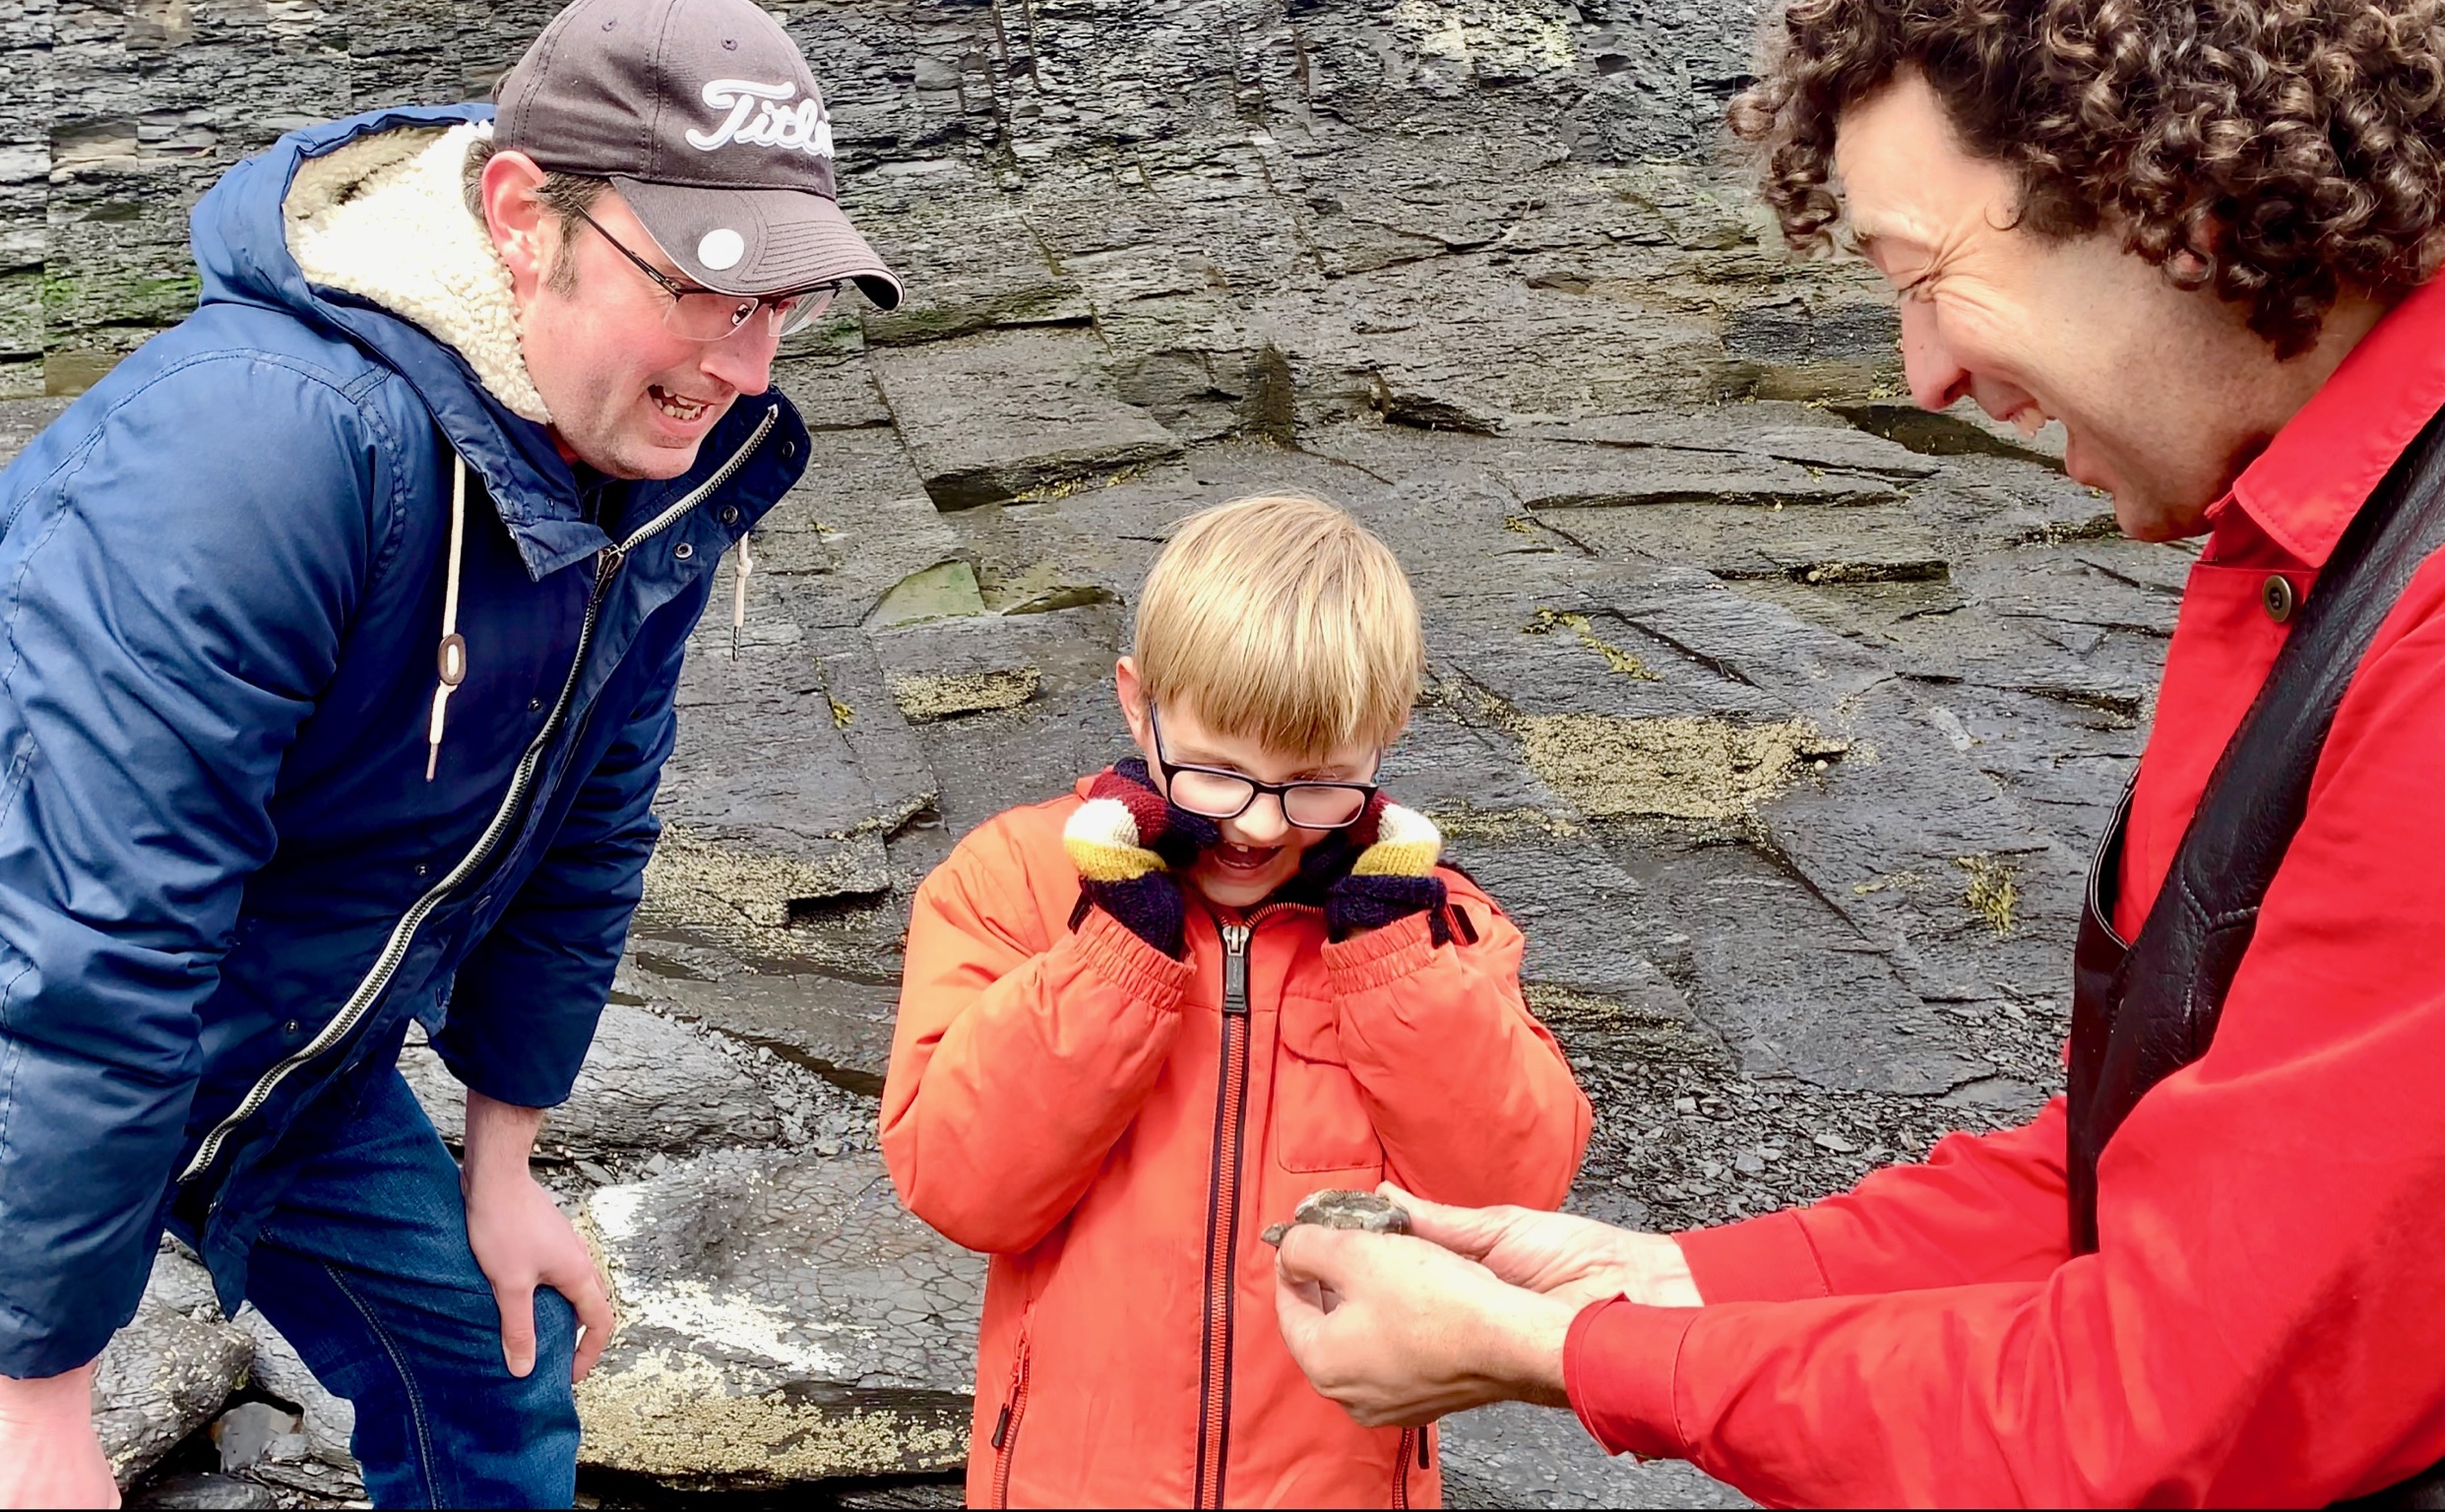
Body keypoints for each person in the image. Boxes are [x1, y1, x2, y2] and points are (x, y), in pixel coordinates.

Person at [1271, 0, 2445, 1504]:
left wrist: (1575, 1357)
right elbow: (2149, 1168)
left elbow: (2173, 1399)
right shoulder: (2306, 551)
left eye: (1928, 279)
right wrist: (1662, 1281)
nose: (1925, 376)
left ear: (2184, 196)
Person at [0, 0, 901, 1504]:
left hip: (285, 1034)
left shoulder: (637, 468)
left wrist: (507, 1160)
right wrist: (39, 1396)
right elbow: (94, 936)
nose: (741, 366)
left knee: (502, 1365)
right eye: (698, 287)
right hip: (44, 1021)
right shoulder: (262, 449)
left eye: (781, 304)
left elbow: (594, 815)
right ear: (516, 215)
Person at [880, 493, 1593, 1508]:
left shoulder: (1441, 930)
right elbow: (961, 1186)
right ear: (1138, 703)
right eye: (1216, 774)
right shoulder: (1010, 883)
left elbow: (1506, 1192)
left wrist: (1393, 960)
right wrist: (1114, 954)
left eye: (1314, 783)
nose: (1256, 825)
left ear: (1384, 741)